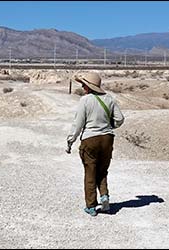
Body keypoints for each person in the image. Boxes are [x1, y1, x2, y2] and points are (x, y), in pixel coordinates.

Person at [66, 72, 125, 217]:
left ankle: (91, 206)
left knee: (90, 172)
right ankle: (104, 196)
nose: (82, 86)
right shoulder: (109, 99)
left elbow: (78, 123)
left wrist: (70, 140)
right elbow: (120, 119)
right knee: (102, 170)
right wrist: (109, 126)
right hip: (107, 138)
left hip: (90, 140)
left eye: (83, 84)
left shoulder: (85, 100)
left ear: (88, 86)